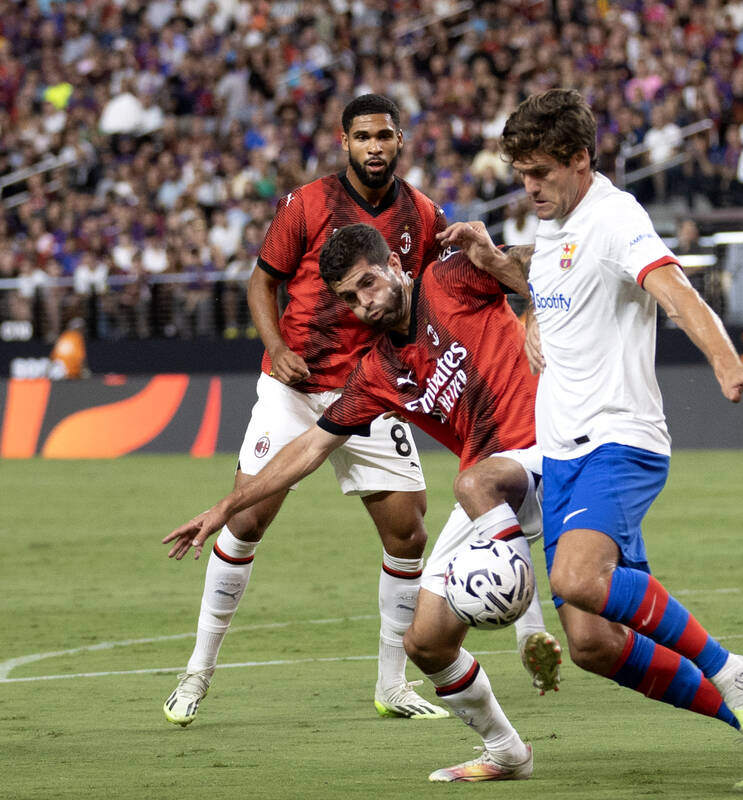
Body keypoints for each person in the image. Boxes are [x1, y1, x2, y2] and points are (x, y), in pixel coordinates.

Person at [443, 88, 743, 794]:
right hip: (564, 454)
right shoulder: (557, 221)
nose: (529, 187)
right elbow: (550, 279)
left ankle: (738, 675)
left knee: (577, 577)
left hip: (619, 438)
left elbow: (674, 288)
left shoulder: (615, 216)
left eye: (541, 173)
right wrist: (492, 261)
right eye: (521, 174)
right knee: (593, 644)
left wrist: (727, 363)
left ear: (581, 159)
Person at [165, 223, 560, 781]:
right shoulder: (378, 372)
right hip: (492, 484)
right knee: (424, 643)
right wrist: (225, 507)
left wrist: (512, 284)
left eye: (368, 284)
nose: (363, 304)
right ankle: (508, 752)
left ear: (396, 267)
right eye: (349, 297)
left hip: (546, 455)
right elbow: (308, 449)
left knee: (592, 618)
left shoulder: (449, 278)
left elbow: (552, 268)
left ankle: (526, 608)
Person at [161, 94, 446, 726]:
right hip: (294, 385)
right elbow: (262, 280)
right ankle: (197, 672)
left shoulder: (423, 214)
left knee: (409, 532)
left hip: (370, 389)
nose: (376, 146)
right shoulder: (307, 204)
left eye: (386, 135)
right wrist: (276, 345)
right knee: (247, 521)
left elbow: (425, 295)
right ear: (344, 140)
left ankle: (392, 685)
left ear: (400, 140)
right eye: (365, 136)